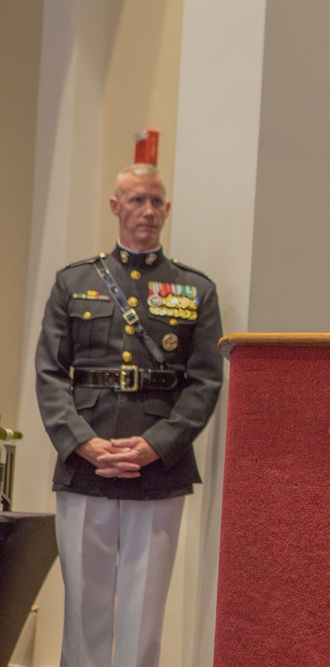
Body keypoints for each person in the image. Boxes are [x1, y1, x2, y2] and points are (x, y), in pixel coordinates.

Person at [35, 163, 223, 667]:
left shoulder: (194, 290)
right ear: (116, 206)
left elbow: (204, 382)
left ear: (167, 208)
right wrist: (81, 441)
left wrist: (157, 444)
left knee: (143, 618)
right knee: (84, 616)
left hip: (157, 468)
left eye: (156, 201)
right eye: (137, 200)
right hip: (86, 462)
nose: (148, 211)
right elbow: (50, 373)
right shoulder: (73, 282)